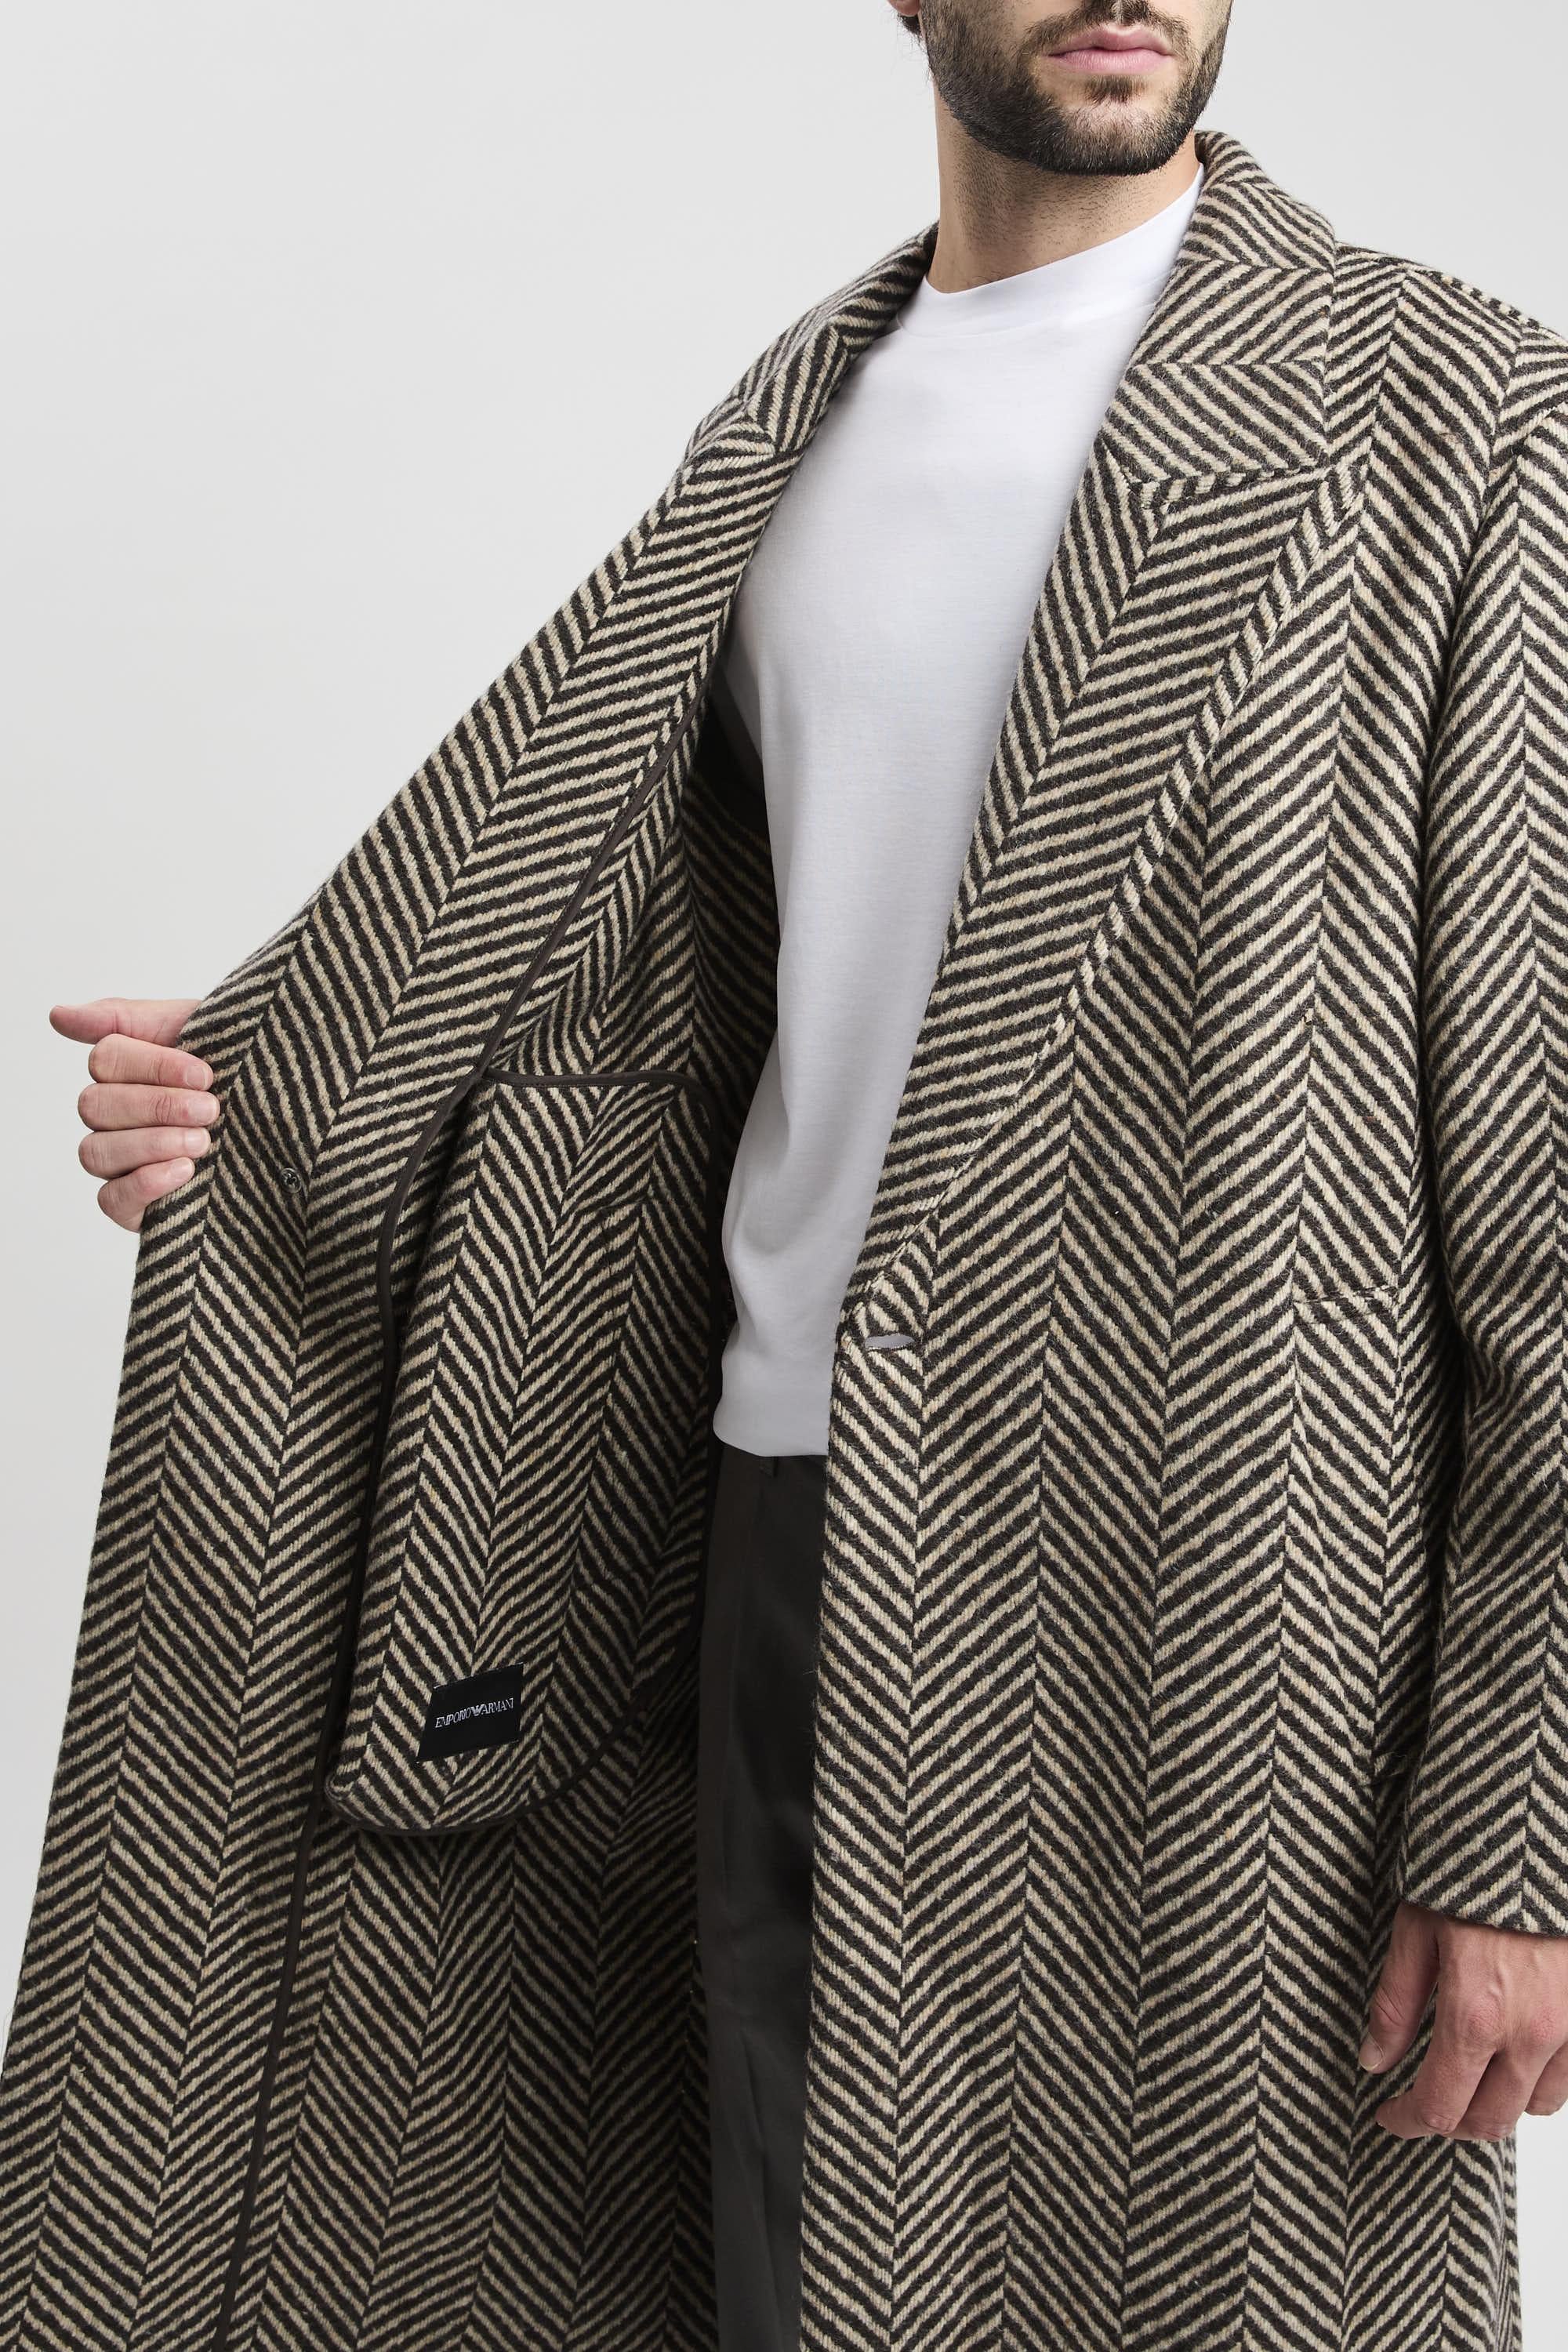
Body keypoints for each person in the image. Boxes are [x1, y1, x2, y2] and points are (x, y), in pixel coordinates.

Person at [14, 4, 1568, 2349]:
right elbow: (639, 983)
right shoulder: (802, 420)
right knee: (767, 2282)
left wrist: (1519, 1812)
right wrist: (291, 1098)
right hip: (772, 1520)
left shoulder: (1462, 416)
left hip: (1238, 1628)